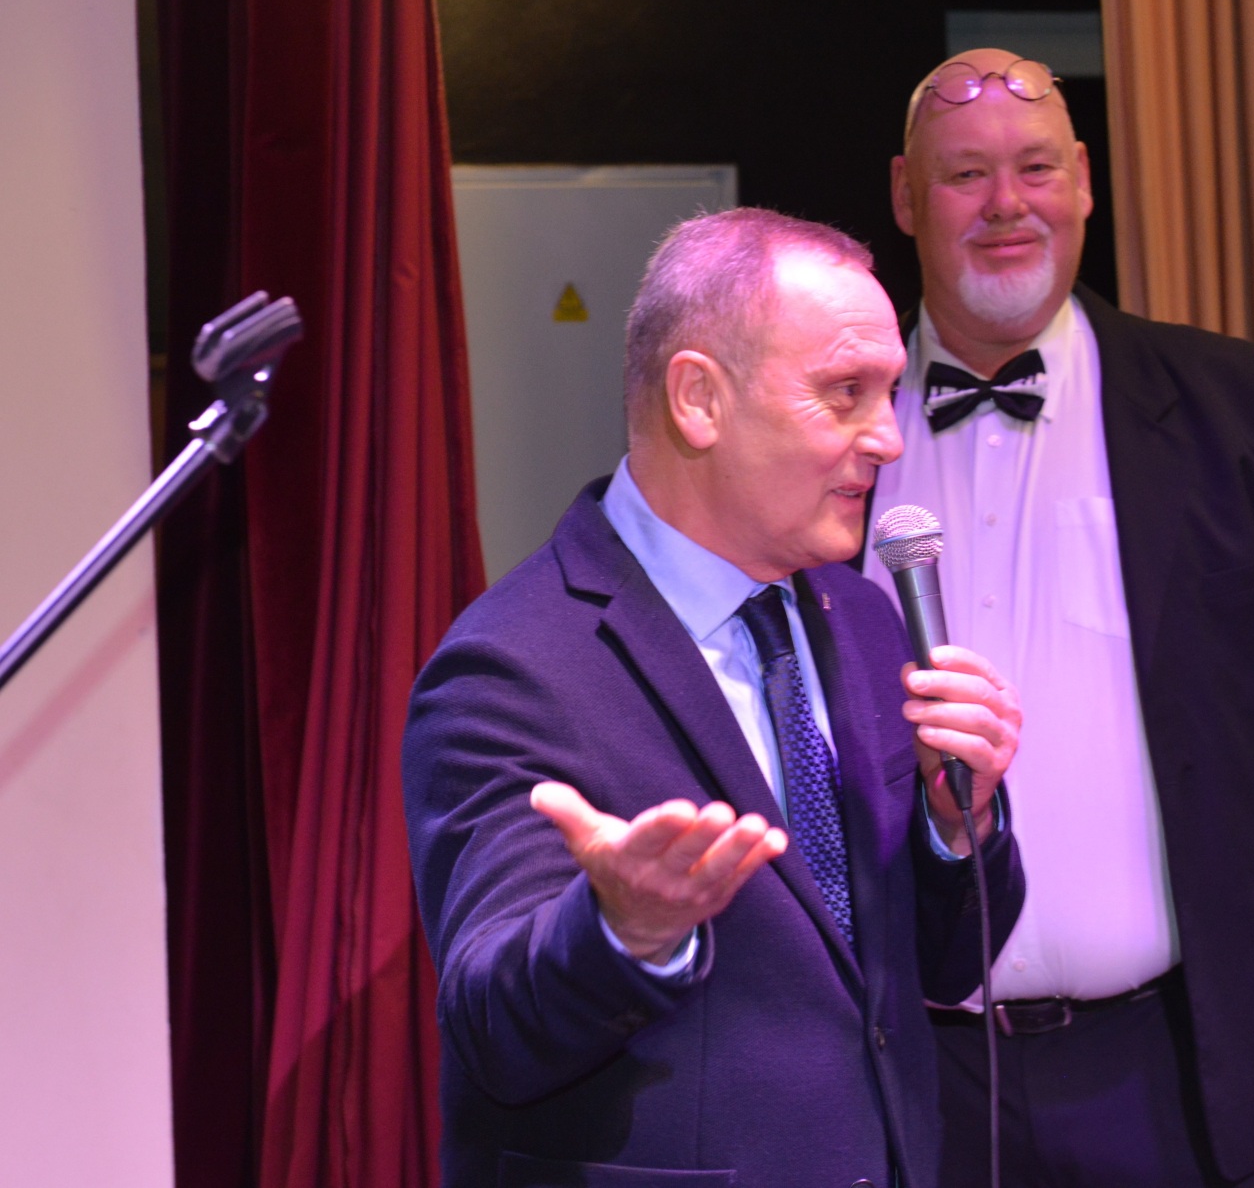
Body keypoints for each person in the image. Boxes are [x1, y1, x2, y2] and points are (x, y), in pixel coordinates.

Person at [862, 49, 1254, 1188]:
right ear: (905, 195)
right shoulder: (831, 428)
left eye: (1037, 168)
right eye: (965, 175)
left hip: (1174, 1061)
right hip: (908, 1069)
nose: (1006, 204)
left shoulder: (1242, 409)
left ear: (1085, 180)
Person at [404, 207, 1027, 1188]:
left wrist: (961, 827)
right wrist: (622, 931)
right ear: (698, 399)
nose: (887, 439)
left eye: (890, 395)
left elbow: (940, 969)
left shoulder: (867, 619)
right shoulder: (510, 668)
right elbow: (493, 1027)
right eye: (846, 393)